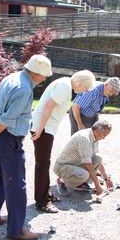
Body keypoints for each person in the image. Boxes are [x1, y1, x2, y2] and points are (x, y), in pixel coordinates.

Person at [0, 54, 52, 240]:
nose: (44, 79)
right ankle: (16, 230)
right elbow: (5, 122)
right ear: (36, 73)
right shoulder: (24, 89)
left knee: (2, 177)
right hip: (5, 140)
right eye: (44, 76)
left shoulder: (11, 78)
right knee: (17, 185)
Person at [30, 70, 96, 213]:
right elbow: (48, 106)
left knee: (44, 163)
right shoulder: (65, 87)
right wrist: (40, 129)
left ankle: (46, 193)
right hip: (43, 127)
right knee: (42, 164)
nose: (83, 92)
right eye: (85, 88)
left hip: (46, 127)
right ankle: (42, 202)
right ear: (79, 83)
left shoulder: (65, 83)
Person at [53, 120, 114, 196]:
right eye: (103, 136)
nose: (103, 138)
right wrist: (97, 184)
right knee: (84, 174)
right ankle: (62, 181)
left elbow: (97, 162)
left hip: (75, 165)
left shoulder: (94, 138)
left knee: (98, 158)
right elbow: (87, 164)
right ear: (97, 131)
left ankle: (80, 183)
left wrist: (106, 179)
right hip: (62, 167)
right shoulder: (84, 138)